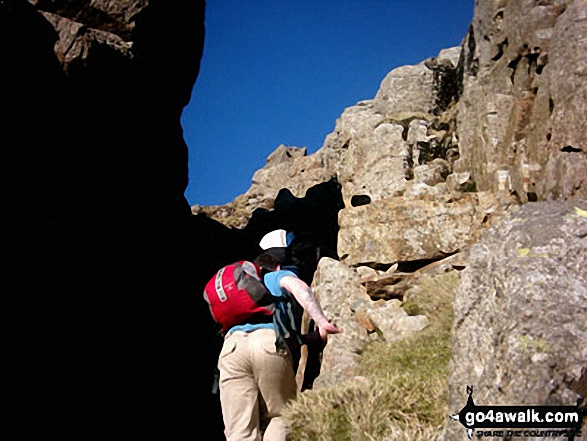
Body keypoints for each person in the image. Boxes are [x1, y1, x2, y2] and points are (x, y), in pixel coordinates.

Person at [217, 232, 341, 441]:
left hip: (231, 348)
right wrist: (322, 322)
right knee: (281, 415)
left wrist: (311, 338)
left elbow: (291, 340)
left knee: (239, 431)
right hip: (268, 342)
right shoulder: (276, 276)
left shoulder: (245, 288)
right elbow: (300, 288)